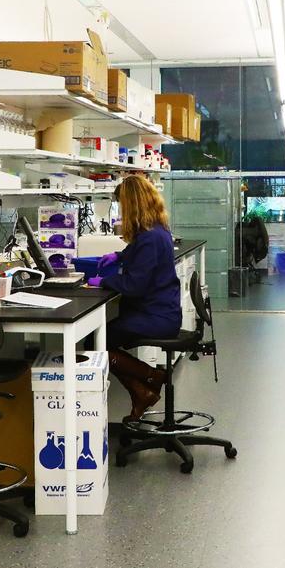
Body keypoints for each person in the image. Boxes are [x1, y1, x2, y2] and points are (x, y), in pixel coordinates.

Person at [87, 176, 181, 420]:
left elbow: (135, 285)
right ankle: (142, 392)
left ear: (133, 205)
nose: (120, 212)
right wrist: (118, 256)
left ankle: (151, 377)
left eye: (121, 206)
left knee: (96, 343)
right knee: (101, 340)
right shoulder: (155, 231)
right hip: (160, 311)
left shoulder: (150, 237)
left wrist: (104, 281)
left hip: (156, 317)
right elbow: (138, 255)